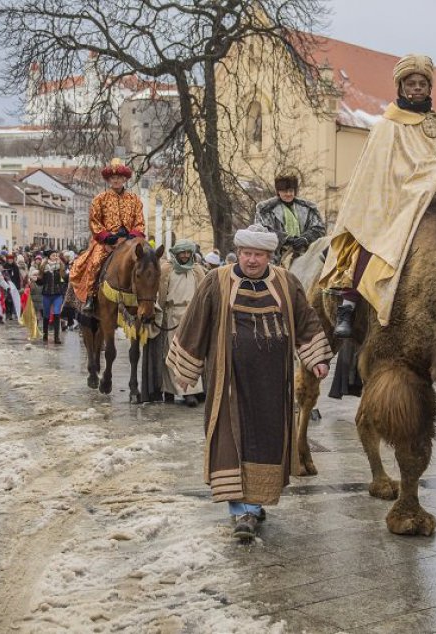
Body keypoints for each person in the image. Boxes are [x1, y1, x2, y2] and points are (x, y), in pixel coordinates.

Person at [166, 225, 332, 541]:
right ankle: (242, 512)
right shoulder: (216, 281)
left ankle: (254, 504)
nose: (251, 260)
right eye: (246, 253)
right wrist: (186, 369)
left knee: (265, 443)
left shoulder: (286, 282)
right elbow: (195, 322)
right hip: (229, 383)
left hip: (272, 385)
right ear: (238, 253)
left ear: (269, 256)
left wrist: (316, 359)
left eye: (258, 255)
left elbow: (306, 320)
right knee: (231, 442)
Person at [320, 54, 436, 338]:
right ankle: (348, 303)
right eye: (411, 83)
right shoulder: (387, 125)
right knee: (371, 239)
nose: (417, 88)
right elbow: (378, 173)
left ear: (429, 87)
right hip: (393, 201)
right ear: (401, 87)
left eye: (422, 83)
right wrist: (426, 174)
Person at [70, 159, 146, 312]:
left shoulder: (135, 200)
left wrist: (131, 236)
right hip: (106, 242)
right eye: (113, 178)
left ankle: (147, 298)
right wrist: (107, 237)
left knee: (146, 261)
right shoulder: (99, 199)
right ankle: (91, 297)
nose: (116, 180)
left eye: (119, 177)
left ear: (124, 179)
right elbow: (94, 221)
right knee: (95, 261)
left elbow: (140, 222)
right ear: (109, 180)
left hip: (129, 241)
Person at [157, 240, 206, 406]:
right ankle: (169, 390)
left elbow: (203, 293)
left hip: (191, 315)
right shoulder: (166, 269)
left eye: (188, 252)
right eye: (182, 252)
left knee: (190, 353)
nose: (185, 255)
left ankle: (190, 392)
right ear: (176, 253)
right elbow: (161, 294)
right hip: (171, 314)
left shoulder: (196, 270)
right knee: (171, 353)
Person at [254, 173, 326, 264]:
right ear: (278, 192)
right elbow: (262, 230)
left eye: (291, 191)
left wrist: (305, 238)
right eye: (285, 191)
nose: (288, 194)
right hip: (275, 258)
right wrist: (286, 239)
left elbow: (319, 229)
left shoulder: (308, 208)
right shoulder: (265, 209)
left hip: (306, 257)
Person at [39, 251, 69, 344]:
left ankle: (57, 337)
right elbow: (40, 282)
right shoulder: (44, 267)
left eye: (56, 255)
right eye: (53, 255)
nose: (55, 257)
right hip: (46, 294)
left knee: (57, 314)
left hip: (57, 294)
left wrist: (68, 276)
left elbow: (65, 279)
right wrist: (36, 280)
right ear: (49, 257)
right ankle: (45, 335)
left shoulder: (61, 267)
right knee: (46, 315)